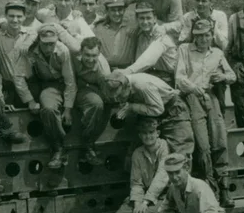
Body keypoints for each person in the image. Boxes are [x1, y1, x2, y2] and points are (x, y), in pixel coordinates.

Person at [175, 19, 236, 208]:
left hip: (211, 97)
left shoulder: (217, 53)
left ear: (211, 35)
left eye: (207, 35)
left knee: (220, 140)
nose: (202, 39)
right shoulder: (185, 49)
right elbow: (179, 78)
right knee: (202, 145)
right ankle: (212, 188)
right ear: (194, 35)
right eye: (199, 35)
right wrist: (193, 88)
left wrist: (223, 76)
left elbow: (233, 76)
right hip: (192, 96)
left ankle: (224, 187)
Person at [109, 118, 169, 213]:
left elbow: (162, 177)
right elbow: (136, 182)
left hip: (163, 196)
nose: (148, 136)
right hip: (142, 197)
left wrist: (147, 201)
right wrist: (137, 203)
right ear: (140, 135)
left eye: (151, 132)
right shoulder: (138, 153)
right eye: (144, 133)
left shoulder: (165, 149)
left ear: (158, 133)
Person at [14, 24, 76, 169]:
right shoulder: (29, 51)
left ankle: (61, 149)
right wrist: (29, 100)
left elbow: (70, 81)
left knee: (50, 108)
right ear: (39, 40)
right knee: (44, 108)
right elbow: (18, 76)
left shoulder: (62, 51)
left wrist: (67, 109)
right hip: (43, 83)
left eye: (52, 44)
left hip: (60, 83)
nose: (49, 48)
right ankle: (57, 147)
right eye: (45, 44)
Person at [150, 153, 235, 213]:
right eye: (170, 173)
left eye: (177, 172)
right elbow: (168, 204)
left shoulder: (199, 186)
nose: (174, 177)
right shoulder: (173, 188)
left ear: (186, 169)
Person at [103, 72, 194, 160]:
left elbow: (158, 109)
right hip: (152, 114)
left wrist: (132, 107)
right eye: (115, 99)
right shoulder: (123, 83)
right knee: (138, 152)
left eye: (120, 96)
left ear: (127, 87)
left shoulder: (142, 85)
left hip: (173, 110)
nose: (118, 100)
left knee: (180, 153)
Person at [0, 0, 34, 107]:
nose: (15, 20)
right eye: (11, 16)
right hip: (9, 88)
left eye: (19, 16)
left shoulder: (30, 34)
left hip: (30, 86)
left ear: (25, 17)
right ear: (5, 16)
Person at [118, 2, 177, 86]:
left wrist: (127, 71)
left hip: (167, 79)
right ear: (137, 20)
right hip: (150, 75)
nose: (145, 22)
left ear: (155, 19)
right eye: (142, 18)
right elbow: (139, 60)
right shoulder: (141, 36)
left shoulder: (160, 35)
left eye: (148, 18)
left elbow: (149, 59)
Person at [72, 37, 111, 165]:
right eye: (87, 55)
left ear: (99, 54)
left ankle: (87, 145)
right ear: (81, 53)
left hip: (88, 89)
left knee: (97, 104)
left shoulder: (103, 71)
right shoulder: (72, 58)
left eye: (94, 55)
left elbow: (107, 94)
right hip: (69, 86)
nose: (90, 59)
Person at [92, 0, 137, 70]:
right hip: (104, 69)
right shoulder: (98, 28)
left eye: (120, 10)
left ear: (124, 10)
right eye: (113, 10)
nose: (117, 13)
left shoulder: (132, 26)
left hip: (126, 70)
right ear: (107, 11)